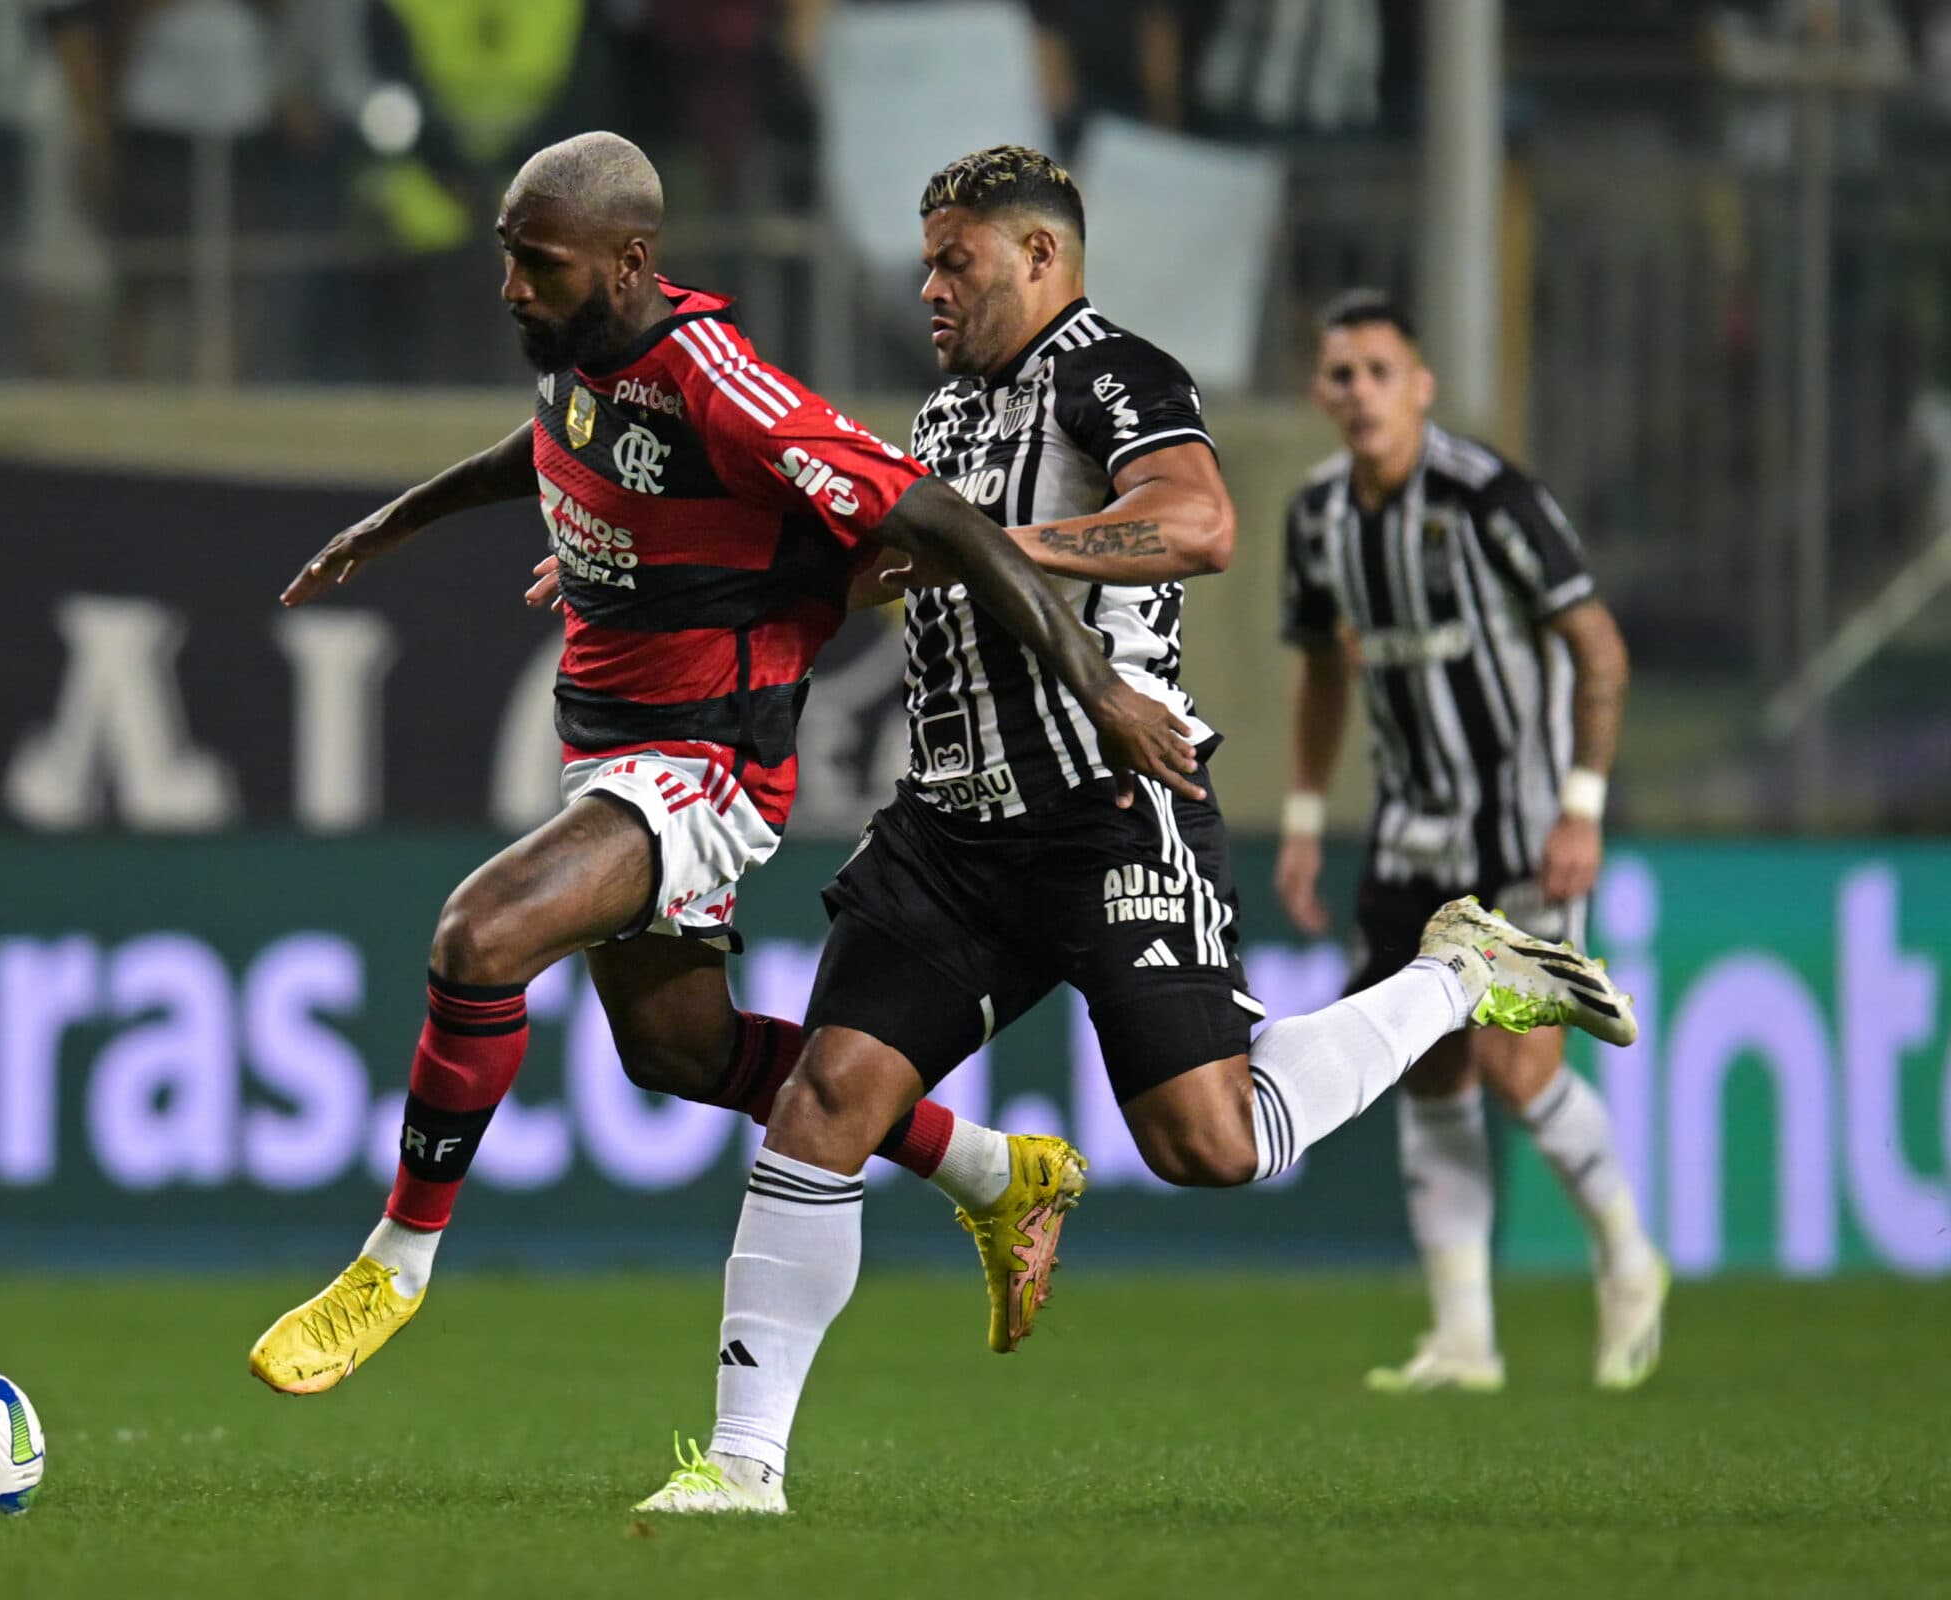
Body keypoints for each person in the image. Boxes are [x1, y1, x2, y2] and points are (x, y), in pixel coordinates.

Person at [630, 146, 1639, 1515]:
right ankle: (744, 1468)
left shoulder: (1119, 374)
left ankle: (1456, 972)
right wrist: (690, 577)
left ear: (1040, 257)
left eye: (956, 262)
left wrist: (999, 546)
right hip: (952, 833)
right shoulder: (947, 410)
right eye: (927, 261)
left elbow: (1198, 521)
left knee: (1210, 1146)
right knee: (825, 1101)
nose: (930, 287)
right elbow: (875, 562)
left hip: (1109, 811)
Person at [248, 131, 1208, 1397]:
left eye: (536, 264)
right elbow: (543, 443)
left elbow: (940, 518)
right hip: (609, 750)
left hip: (701, 767)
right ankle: (993, 1168)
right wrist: (391, 522)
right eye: (507, 258)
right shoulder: (586, 357)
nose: (511, 288)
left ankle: (395, 1264)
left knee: (478, 937)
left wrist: (1097, 688)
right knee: (679, 1057)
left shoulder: (722, 384)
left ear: (629, 260)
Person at [1274, 289, 1669, 1394]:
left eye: (1378, 371)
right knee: (1429, 1068)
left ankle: (1628, 1256)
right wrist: (1305, 816)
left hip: (1523, 829)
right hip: (1411, 834)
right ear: (1321, 392)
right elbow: (1320, 667)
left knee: (1513, 1061)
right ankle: (1465, 1338)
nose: (1359, 394)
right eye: (1340, 374)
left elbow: (1598, 648)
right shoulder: (1316, 520)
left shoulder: (1490, 496)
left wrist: (1583, 804)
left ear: (1421, 383)